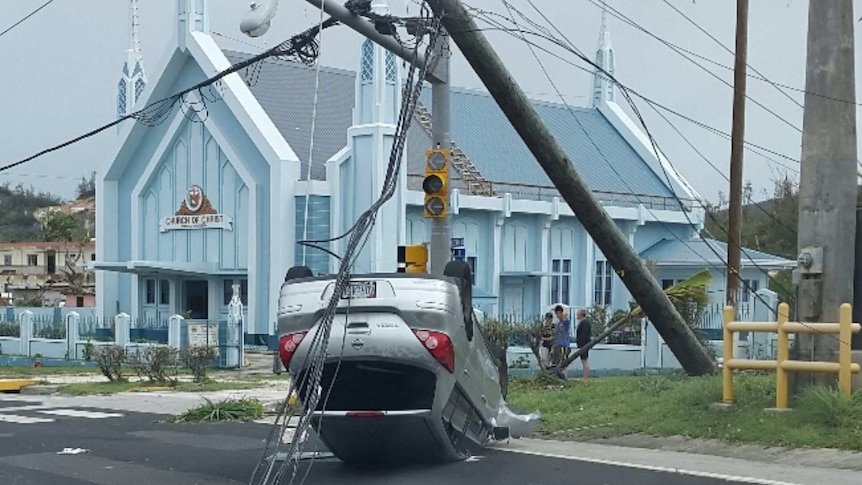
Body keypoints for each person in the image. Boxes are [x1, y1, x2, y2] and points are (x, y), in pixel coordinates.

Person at [551, 305, 571, 380]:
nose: (558, 315)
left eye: (560, 313)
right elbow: (555, 336)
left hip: (564, 346)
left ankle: (565, 379)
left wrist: (563, 309)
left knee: (564, 363)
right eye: (557, 313)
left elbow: (565, 315)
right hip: (557, 346)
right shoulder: (557, 324)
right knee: (556, 364)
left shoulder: (566, 323)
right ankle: (559, 378)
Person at [575, 308, 592, 384]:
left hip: (584, 345)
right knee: (583, 361)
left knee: (584, 361)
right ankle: (585, 378)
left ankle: (585, 379)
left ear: (581, 314)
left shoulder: (585, 323)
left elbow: (584, 335)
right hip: (583, 345)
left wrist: (582, 345)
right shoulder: (583, 322)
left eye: (578, 314)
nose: (576, 315)